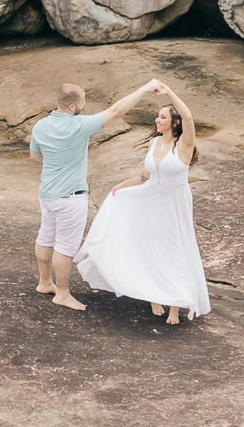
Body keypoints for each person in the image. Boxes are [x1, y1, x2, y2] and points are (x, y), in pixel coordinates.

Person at [72, 80, 211, 325]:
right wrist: (120, 186)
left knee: (174, 248)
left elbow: (188, 117)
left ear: (174, 123)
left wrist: (169, 92)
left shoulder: (184, 144)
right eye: (157, 116)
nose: (157, 120)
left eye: (162, 117)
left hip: (173, 203)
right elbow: (147, 175)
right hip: (149, 199)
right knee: (147, 246)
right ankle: (153, 295)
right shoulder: (154, 142)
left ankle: (175, 307)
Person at [30, 78, 159, 310]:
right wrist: (145, 88)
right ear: (72, 106)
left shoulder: (40, 126)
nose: (84, 105)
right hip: (70, 197)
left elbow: (35, 157)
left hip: (47, 194)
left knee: (45, 236)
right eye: (83, 102)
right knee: (64, 248)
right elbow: (117, 110)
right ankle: (62, 293)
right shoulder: (80, 125)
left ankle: (44, 282)